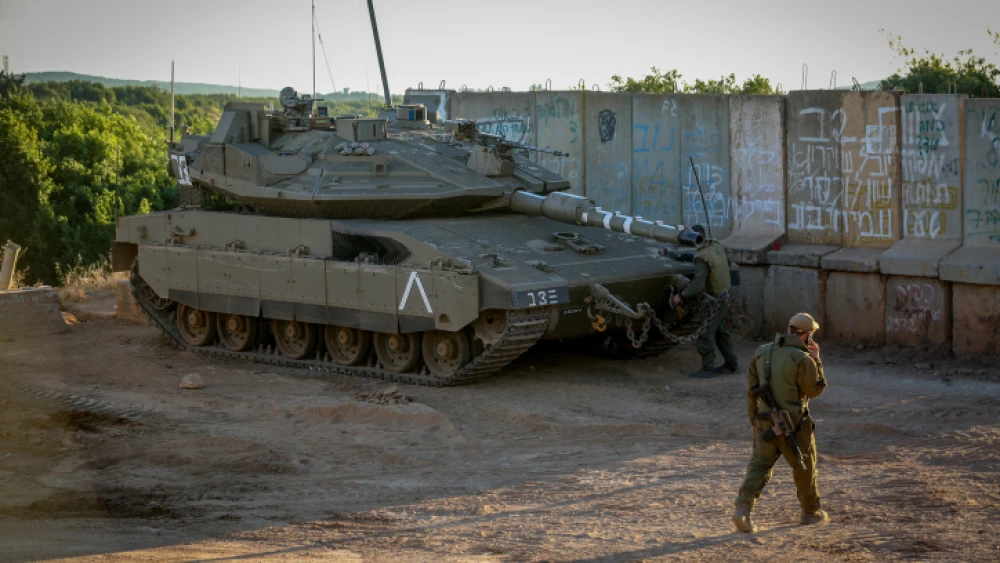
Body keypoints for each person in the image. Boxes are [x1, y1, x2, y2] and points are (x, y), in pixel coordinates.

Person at [732, 312, 828, 533]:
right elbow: (814, 390)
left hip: (765, 420)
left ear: (789, 330)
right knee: (804, 466)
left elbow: (750, 391)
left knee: (759, 465)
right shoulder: (804, 359)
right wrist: (817, 360)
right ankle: (810, 512)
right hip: (794, 424)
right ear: (808, 336)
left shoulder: (762, 352)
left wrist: (753, 419)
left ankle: (743, 510)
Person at [671, 225, 739, 378]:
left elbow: (698, 284)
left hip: (714, 299)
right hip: (724, 294)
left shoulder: (702, 257)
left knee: (705, 333)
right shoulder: (716, 244)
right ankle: (731, 363)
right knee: (721, 331)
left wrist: (681, 296)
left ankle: (708, 369)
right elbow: (727, 263)